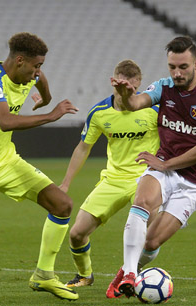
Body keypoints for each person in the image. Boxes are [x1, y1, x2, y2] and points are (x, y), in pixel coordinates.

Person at [107, 36, 196, 298]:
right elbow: (135, 104)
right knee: (141, 201)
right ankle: (130, 273)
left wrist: (166, 164)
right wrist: (126, 95)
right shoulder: (163, 87)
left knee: (151, 242)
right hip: (165, 167)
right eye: (172, 67)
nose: (177, 73)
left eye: (183, 67)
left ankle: (129, 269)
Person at [0, 32, 80, 301]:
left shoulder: (30, 74)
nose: (38, 72)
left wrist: (46, 97)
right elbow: (5, 121)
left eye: (41, 66)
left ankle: (43, 276)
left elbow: (41, 81)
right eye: (36, 65)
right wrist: (51, 115)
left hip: (5, 162)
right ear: (19, 61)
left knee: (62, 204)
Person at [59, 60, 160, 298]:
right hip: (113, 179)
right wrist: (65, 183)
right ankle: (85, 275)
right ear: (112, 82)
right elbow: (83, 148)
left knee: (150, 234)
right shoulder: (99, 113)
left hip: (146, 179)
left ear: (138, 86)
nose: (125, 94)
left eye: (131, 90)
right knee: (76, 233)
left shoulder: (154, 109)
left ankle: (130, 274)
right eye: (120, 88)